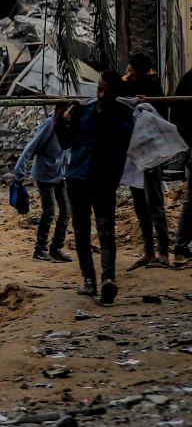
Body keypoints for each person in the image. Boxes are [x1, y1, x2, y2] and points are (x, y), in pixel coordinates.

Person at [58, 73, 137, 305]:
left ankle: (107, 279)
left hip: (103, 180)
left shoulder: (123, 116)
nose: (101, 95)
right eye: (99, 89)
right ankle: (89, 280)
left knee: (105, 230)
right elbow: (65, 142)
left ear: (116, 94)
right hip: (78, 178)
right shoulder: (84, 111)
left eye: (106, 91)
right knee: (82, 231)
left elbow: (124, 144)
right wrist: (59, 118)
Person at [124, 54, 168, 267]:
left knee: (154, 204)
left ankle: (163, 253)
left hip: (150, 152)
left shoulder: (152, 86)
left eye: (131, 71)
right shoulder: (130, 87)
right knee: (140, 204)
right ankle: (149, 251)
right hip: (134, 153)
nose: (128, 74)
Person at [14, 110, 70, 262]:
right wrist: (20, 171)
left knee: (66, 211)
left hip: (61, 173)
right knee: (50, 211)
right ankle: (40, 249)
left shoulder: (69, 125)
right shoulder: (49, 124)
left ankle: (56, 248)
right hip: (45, 173)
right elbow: (31, 147)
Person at [173, 63, 192, 265]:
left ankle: (181, 246)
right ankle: (181, 246)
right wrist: (189, 147)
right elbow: (179, 117)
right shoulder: (189, 80)